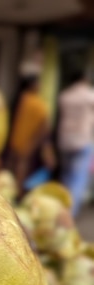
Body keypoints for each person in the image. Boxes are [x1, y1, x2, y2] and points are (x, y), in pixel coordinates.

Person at [3, 73, 56, 199]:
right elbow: (45, 127)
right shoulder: (38, 104)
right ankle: (18, 196)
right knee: (22, 172)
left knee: (10, 171)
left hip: (13, 143)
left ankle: (8, 194)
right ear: (33, 85)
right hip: (30, 144)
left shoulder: (18, 99)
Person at [57, 70, 94, 217]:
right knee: (77, 179)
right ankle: (68, 215)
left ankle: (59, 208)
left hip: (65, 140)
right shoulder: (89, 95)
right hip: (82, 141)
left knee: (66, 177)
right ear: (84, 79)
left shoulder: (64, 96)